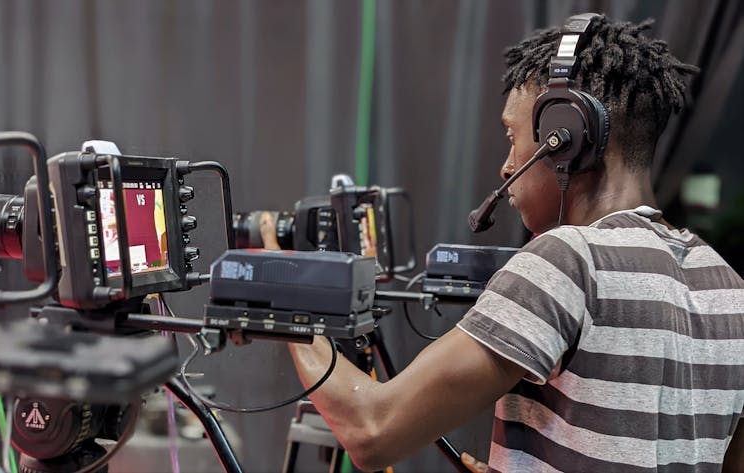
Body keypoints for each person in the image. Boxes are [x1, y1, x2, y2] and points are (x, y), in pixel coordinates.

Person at [287, 14, 744, 472]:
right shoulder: (728, 287)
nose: (506, 166)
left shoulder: (567, 260)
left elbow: (371, 430)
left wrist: (289, 310)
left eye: (513, 136)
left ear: (566, 138)